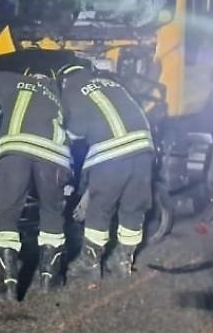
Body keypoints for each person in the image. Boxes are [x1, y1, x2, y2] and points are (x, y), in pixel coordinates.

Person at [0, 65, 73, 301]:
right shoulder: (59, 95)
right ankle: (49, 279)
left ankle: (9, 286)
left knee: (7, 214)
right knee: (51, 212)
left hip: (15, 150)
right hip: (53, 155)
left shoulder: (12, 81)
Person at [56, 60, 155, 278]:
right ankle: (122, 262)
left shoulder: (70, 91)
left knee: (100, 209)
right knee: (133, 208)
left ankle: (89, 263)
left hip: (110, 156)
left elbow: (74, 133)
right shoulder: (113, 84)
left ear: (64, 79)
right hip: (143, 150)